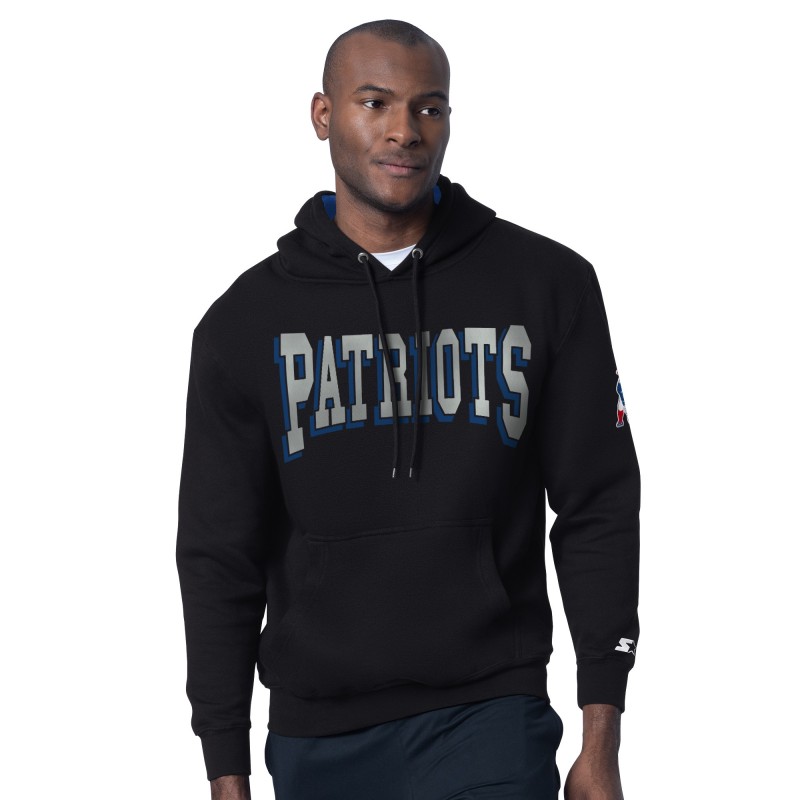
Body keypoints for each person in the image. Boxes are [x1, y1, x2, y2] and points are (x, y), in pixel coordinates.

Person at [176, 18, 641, 800]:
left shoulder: (546, 286)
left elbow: (598, 504)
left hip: (491, 712)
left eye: (430, 107)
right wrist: (226, 767)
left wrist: (602, 738)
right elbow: (218, 553)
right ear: (323, 115)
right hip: (317, 731)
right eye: (375, 103)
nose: (405, 131)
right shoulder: (244, 324)